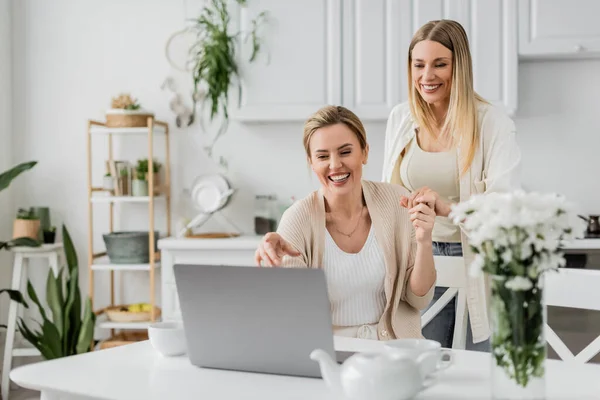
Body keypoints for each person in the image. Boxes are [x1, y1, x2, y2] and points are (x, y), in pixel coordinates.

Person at [382, 19, 521, 351]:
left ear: (459, 66)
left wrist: (446, 209)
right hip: (418, 264)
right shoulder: (401, 119)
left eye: (439, 64)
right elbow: (387, 194)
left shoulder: (492, 123)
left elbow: (504, 206)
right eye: (419, 65)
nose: (427, 76)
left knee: (472, 373)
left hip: (475, 263)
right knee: (421, 369)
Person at [254, 105, 437, 340]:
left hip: (393, 352)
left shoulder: (395, 202)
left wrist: (424, 241)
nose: (335, 164)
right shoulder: (298, 218)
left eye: (345, 152)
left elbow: (418, 297)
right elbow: (292, 314)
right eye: (322, 156)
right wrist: (275, 270)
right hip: (328, 355)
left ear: (365, 152)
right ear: (311, 162)